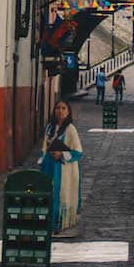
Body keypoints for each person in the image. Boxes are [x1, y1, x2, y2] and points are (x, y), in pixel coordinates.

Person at [38, 99, 83, 236]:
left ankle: (59, 223)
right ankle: (46, 221)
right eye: (58, 108)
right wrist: (44, 157)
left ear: (68, 112)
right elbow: (44, 147)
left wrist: (61, 154)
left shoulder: (70, 130)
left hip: (64, 169)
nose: (60, 111)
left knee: (59, 193)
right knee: (48, 192)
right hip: (49, 166)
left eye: (64, 108)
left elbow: (78, 152)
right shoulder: (50, 128)